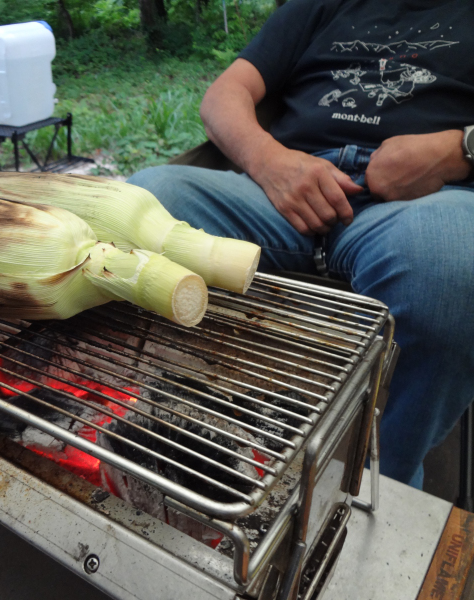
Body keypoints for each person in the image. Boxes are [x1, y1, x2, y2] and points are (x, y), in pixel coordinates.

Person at [127, 0, 474, 488]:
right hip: (279, 190)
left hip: (423, 205)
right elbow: (224, 95)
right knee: (141, 201)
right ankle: (167, 436)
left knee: (446, 264)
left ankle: (380, 487)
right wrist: (269, 161)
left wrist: (459, 149)